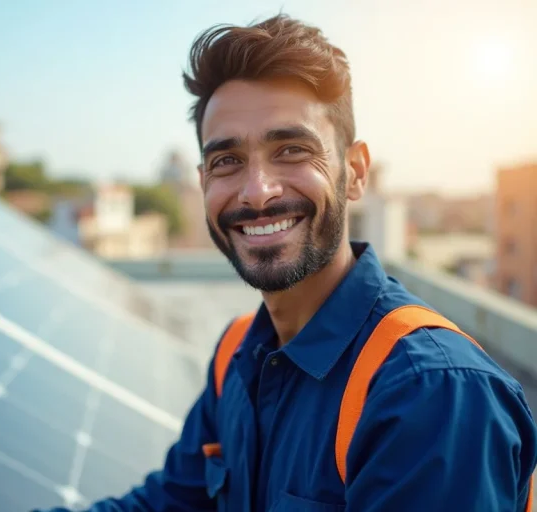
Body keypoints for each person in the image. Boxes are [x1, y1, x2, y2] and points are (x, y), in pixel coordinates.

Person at [44, 12, 537, 511]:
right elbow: (171, 503)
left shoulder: (429, 393)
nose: (257, 192)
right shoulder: (237, 355)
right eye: (227, 161)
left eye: (292, 150)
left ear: (356, 171)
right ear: (202, 183)